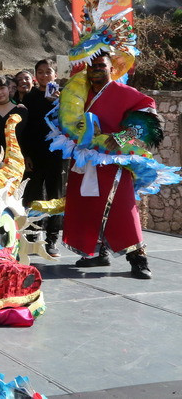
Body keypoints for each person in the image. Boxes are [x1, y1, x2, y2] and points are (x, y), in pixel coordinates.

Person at [64, 54, 157, 278]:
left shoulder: (122, 91)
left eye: (101, 65)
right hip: (85, 160)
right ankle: (98, 252)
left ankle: (138, 259)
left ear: (111, 68)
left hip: (114, 160)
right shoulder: (79, 92)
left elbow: (149, 111)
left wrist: (124, 136)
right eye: (92, 65)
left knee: (123, 208)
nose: (96, 69)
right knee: (88, 207)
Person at [22, 59, 62, 257]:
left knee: (55, 195)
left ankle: (52, 238)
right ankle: (32, 235)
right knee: (34, 194)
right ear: (36, 75)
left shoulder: (65, 97)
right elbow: (26, 128)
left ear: (55, 74)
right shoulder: (29, 98)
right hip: (35, 154)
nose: (45, 76)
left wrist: (58, 103)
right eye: (41, 72)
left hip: (57, 154)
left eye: (49, 72)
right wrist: (26, 154)